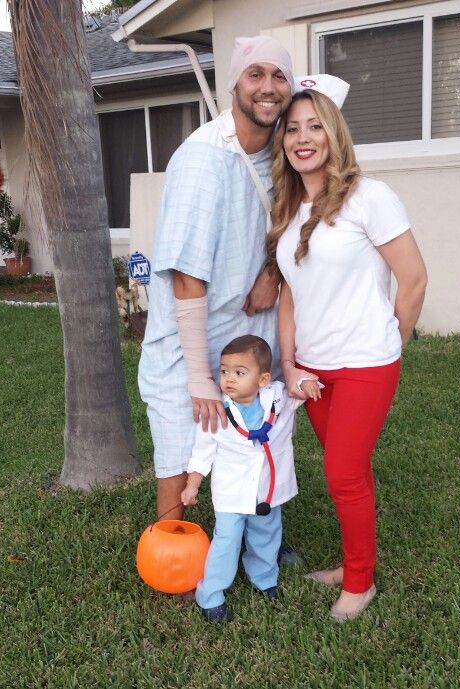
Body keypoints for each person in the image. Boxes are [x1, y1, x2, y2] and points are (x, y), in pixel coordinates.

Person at [266, 74, 428, 621]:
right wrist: (287, 363)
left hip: (364, 365)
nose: (302, 138)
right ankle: (353, 559)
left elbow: (413, 279)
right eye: (292, 129)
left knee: (341, 471)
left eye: (315, 126)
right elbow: (290, 294)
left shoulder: (369, 196)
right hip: (312, 369)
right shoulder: (290, 208)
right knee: (349, 474)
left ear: (335, 134)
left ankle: (359, 583)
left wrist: (391, 344)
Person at [138, 37, 294, 523]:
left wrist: (271, 272)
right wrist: (200, 377)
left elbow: (290, 219)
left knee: (257, 433)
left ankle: (256, 539)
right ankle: (173, 544)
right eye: (255, 75)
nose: (267, 87)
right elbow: (186, 275)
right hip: (193, 334)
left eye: (279, 76)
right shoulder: (204, 159)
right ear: (234, 86)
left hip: (250, 329)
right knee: (181, 440)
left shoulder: (283, 152)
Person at [181, 335, 321, 622]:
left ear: (263, 379)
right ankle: (210, 594)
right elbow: (202, 452)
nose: (229, 379)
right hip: (232, 494)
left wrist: (307, 383)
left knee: (266, 534)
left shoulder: (278, 398)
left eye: (239, 373)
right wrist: (192, 484)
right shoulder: (217, 411)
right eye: (224, 371)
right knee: (226, 541)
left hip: (268, 491)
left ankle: (264, 578)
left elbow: (301, 388)